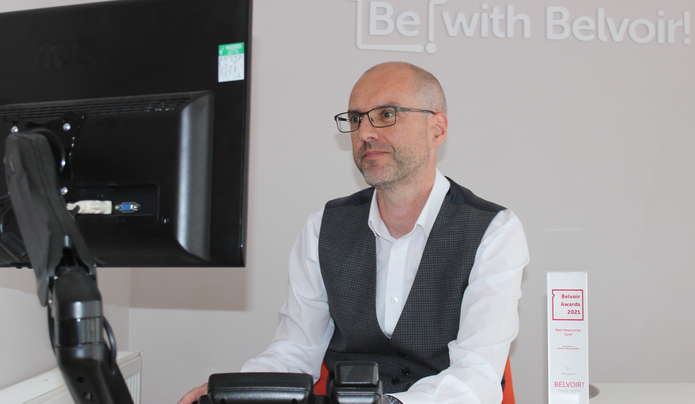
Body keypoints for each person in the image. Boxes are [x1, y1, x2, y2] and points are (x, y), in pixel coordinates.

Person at [179, 62, 529, 404]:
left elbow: (476, 377)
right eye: (357, 118)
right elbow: (296, 350)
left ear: (437, 129)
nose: (365, 133)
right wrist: (234, 392)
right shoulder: (324, 227)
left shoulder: (494, 230)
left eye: (387, 115)